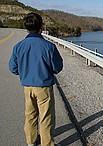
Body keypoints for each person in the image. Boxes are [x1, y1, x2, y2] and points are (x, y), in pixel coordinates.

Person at [9, 12, 63, 146]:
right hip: (44, 87)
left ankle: (31, 142)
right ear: (41, 27)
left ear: (26, 27)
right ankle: (47, 144)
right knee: (46, 117)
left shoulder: (19, 46)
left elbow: (13, 68)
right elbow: (57, 67)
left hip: (27, 87)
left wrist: (24, 71)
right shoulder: (49, 46)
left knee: (30, 115)